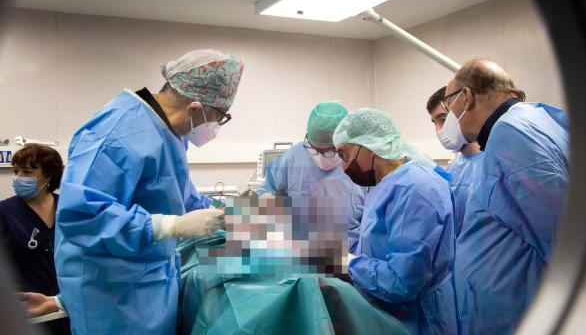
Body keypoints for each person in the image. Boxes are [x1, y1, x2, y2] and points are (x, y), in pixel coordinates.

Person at [54, 49, 244, 334]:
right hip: (111, 297)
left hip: (147, 286)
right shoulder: (117, 131)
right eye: (220, 117)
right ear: (195, 107)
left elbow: (182, 196)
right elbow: (81, 216)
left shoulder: (171, 135)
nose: (217, 126)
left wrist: (234, 213)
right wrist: (171, 225)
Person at [444, 59, 570, 334]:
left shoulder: (511, 132)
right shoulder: (539, 118)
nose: (447, 118)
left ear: (465, 97)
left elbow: (563, 235)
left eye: (447, 105)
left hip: (511, 314)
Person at [334, 108, 458, 335]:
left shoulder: (414, 189)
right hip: (389, 316)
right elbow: (378, 245)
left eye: (345, 154)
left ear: (368, 145)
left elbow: (401, 283)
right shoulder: (383, 183)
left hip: (417, 322)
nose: (343, 166)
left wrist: (347, 262)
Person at [257, 101, 366, 254]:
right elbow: (266, 192)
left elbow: (375, 219)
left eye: (330, 150)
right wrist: (265, 201)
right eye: (314, 149)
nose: (321, 156)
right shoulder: (291, 158)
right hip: (300, 250)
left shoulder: (363, 162)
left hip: (351, 252)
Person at [0, 144, 70, 334]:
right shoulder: (5, 212)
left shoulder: (68, 208)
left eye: (27, 171)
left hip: (70, 306)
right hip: (30, 310)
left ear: (48, 175)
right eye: (16, 171)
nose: (18, 177)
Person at [426, 86, 484, 237]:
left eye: (443, 120)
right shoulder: (453, 168)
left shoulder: (492, 165)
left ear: (463, 112)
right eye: (434, 123)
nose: (439, 129)